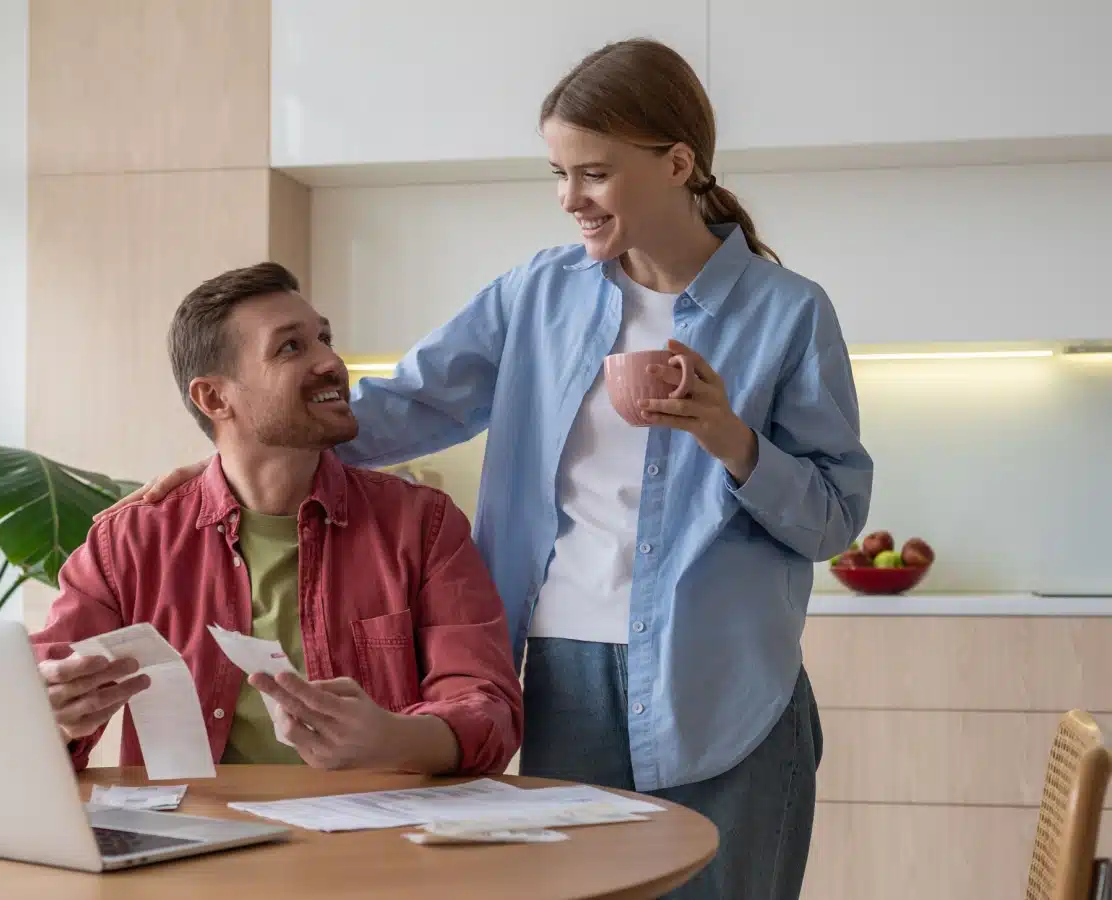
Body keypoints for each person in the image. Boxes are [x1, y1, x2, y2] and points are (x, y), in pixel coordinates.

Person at [109, 38, 872, 899]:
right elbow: (400, 406)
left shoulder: (788, 313)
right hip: (563, 673)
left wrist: (731, 438)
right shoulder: (537, 293)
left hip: (727, 682)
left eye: (593, 173)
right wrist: (234, 452)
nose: (569, 198)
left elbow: (834, 519)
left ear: (677, 163)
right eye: (558, 174)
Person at [32, 262, 523, 777]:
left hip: (371, 826)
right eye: (291, 347)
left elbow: (488, 708)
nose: (331, 362)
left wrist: (393, 739)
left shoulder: (423, 526)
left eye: (325, 339)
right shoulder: (129, 543)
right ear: (214, 398)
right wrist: (57, 718)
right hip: (194, 825)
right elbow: (36, 701)